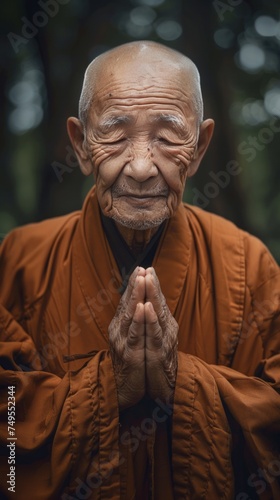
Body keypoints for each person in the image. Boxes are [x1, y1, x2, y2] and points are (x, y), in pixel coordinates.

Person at [0, 40, 279, 500]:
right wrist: (108, 388)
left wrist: (181, 382)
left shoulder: (249, 265)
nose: (143, 166)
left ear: (202, 145)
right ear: (81, 144)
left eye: (169, 135)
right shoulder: (20, 261)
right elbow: (10, 436)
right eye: (115, 133)